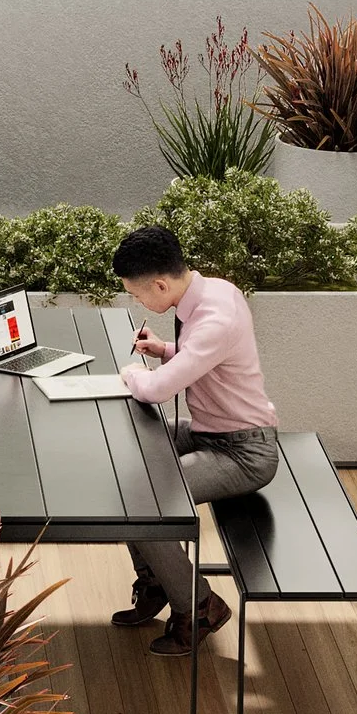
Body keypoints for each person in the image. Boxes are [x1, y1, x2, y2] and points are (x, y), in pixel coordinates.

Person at [108, 222, 281, 656]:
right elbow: (209, 360)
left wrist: (130, 371)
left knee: (144, 503)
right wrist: (165, 350)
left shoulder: (214, 320)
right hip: (210, 431)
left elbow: (154, 390)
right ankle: (158, 580)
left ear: (161, 284)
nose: (137, 301)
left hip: (244, 451)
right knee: (129, 458)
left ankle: (200, 606)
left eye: (137, 294)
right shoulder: (216, 290)